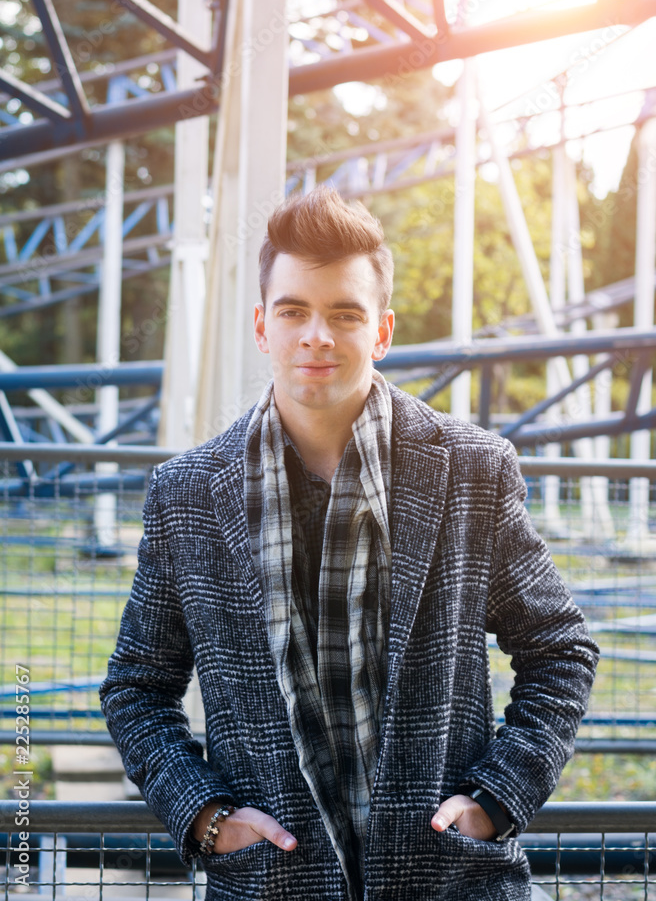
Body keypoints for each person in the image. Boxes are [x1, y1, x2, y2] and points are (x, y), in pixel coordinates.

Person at [99, 186, 599, 901]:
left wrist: (497, 799)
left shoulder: (472, 468)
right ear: (262, 326)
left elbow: (561, 648)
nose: (317, 337)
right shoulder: (186, 494)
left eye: (345, 314)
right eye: (294, 311)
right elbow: (136, 688)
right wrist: (207, 819)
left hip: (449, 881)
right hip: (271, 884)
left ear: (383, 331)